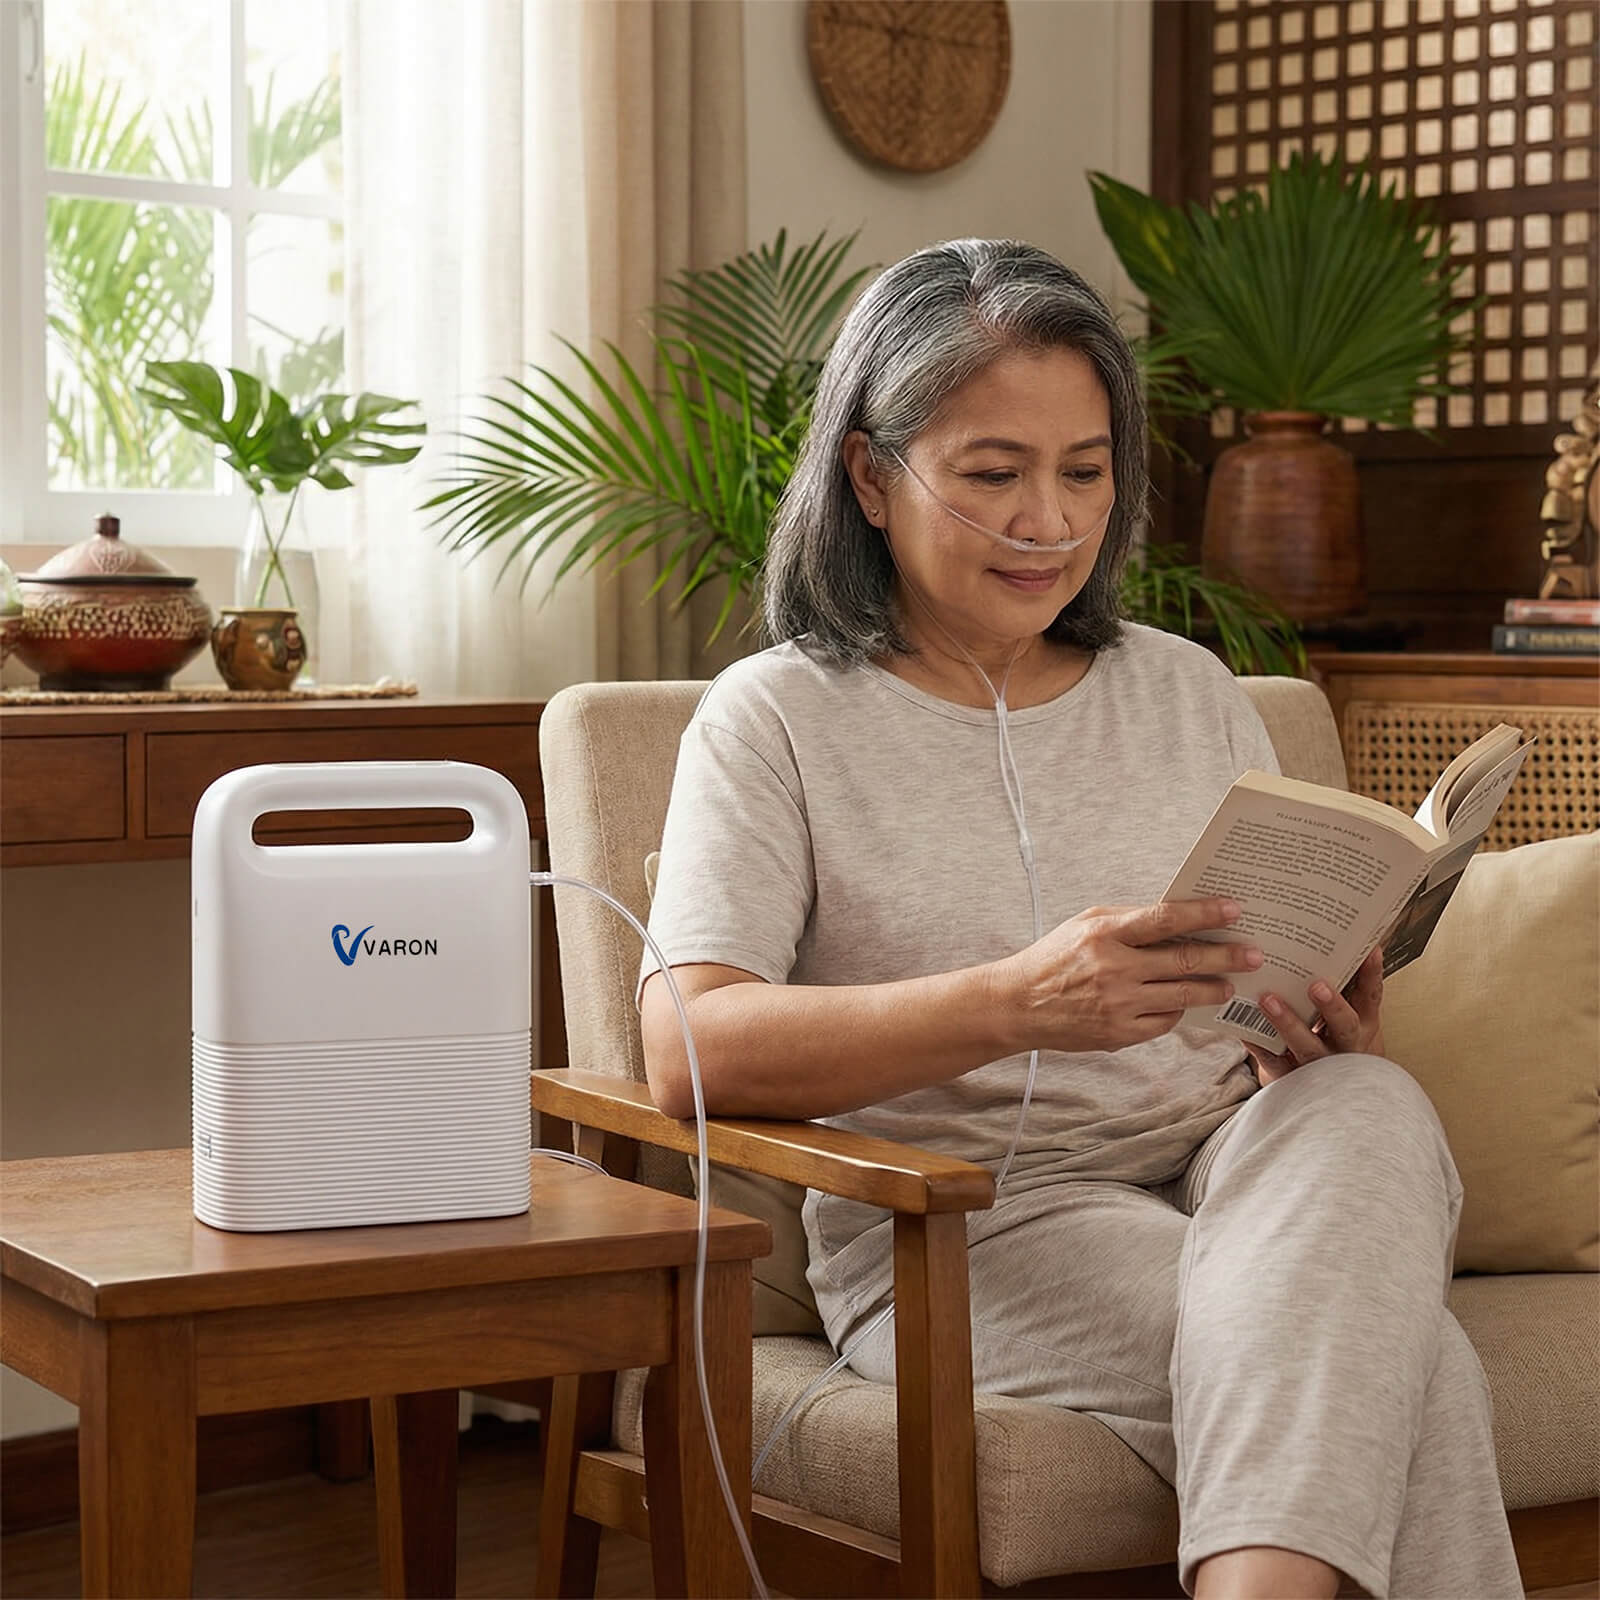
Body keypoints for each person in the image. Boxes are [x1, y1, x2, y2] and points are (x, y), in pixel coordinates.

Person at [637, 239, 1520, 1600]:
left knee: (1374, 1111)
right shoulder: (774, 720)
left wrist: (1322, 1008)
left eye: (1086, 471)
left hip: (1236, 1162)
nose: (1048, 520)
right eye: (993, 474)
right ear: (872, 476)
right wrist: (1015, 1002)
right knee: (1401, 1367)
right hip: (966, 1230)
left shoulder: (1186, 690)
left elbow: (1265, 1008)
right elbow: (690, 1049)